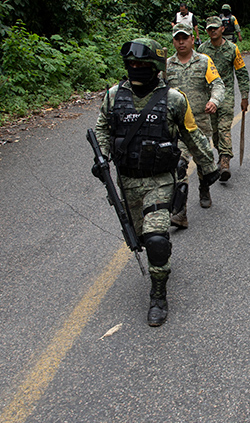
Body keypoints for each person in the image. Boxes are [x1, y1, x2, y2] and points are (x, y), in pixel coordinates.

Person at [94, 38, 220, 326]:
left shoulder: (174, 99)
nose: (136, 69)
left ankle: (158, 294)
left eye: (142, 64)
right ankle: (157, 255)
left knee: (156, 240)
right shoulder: (114, 96)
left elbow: (192, 134)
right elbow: (103, 127)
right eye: (131, 65)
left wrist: (208, 166)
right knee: (139, 239)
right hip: (127, 182)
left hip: (160, 180)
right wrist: (101, 156)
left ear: (154, 66)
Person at [166, 22, 225, 225]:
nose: (181, 42)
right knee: (179, 165)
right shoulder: (167, 66)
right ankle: (180, 212)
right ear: (173, 41)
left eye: (185, 38)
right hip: (176, 126)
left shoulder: (203, 61)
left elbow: (217, 84)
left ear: (192, 39)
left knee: (202, 163)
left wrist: (214, 101)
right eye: (177, 39)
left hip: (199, 123)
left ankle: (204, 188)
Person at [197, 16, 250, 182]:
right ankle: (221, 156)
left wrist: (244, 96)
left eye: (215, 28)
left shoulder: (232, 49)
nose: (212, 31)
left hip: (226, 95)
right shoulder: (202, 50)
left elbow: (242, 73)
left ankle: (225, 161)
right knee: (214, 131)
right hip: (209, 97)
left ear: (222, 29)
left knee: (223, 128)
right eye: (209, 29)